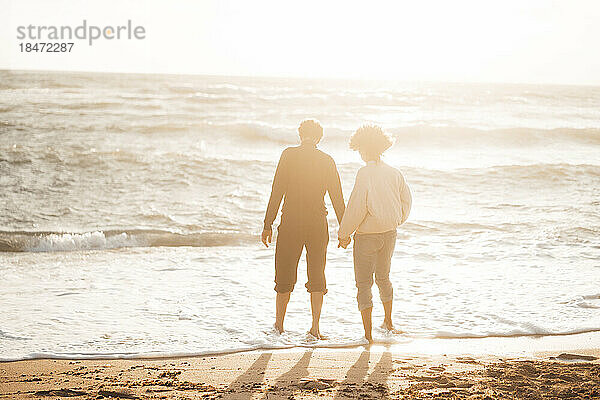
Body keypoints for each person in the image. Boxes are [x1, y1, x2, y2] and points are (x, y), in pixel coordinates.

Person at [262, 119, 345, 339]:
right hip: (317, 224)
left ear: (300, 135)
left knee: (284, 274)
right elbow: (337, 197)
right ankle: (315, 328)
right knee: (317, 273)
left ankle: (279, 326)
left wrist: (267, 224)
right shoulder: (327, 160)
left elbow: (276, 191)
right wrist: (345, 230)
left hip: (291, 222)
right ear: (320, 137)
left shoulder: (288, 155)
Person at [337, 124, 412, 344]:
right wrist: (397, 219)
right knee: (383, 278)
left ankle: (368, 334)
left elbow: (357, 207)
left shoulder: (364, 173)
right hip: (390, 233)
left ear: (363, 149)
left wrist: (344, 233)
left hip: (367, 236)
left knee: (363, 283)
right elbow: (406, 200)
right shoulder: (394, 172)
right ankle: (388, 322)